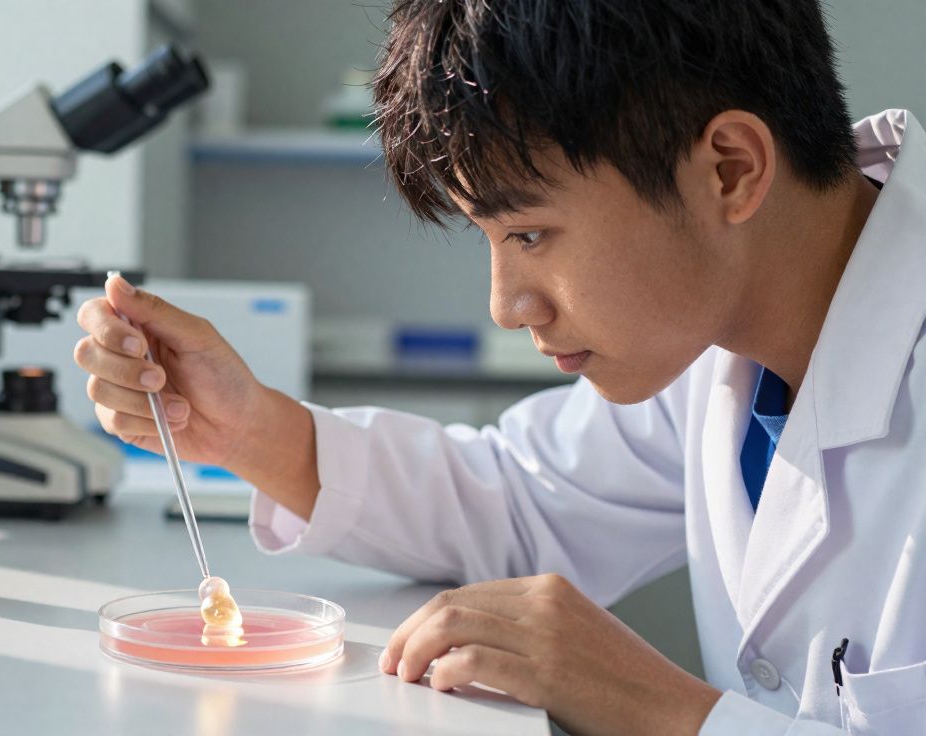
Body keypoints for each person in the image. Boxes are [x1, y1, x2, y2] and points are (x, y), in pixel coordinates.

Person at [74, 1, 925, 733]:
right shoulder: (720, 342)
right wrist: (246, 429)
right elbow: (520, 501)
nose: (507, 304)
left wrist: (662, 711)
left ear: (730, 170)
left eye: (529, 234)